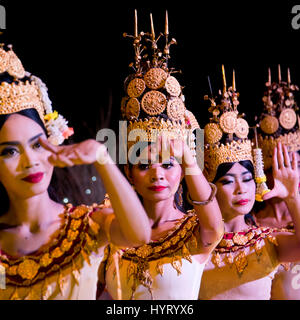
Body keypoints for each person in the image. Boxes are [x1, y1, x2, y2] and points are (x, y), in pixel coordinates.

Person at [0, 44, 151, 300]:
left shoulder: (87, 225)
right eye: (9, 152)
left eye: (37, 144)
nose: (30, 161)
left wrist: (101, 158)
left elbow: (139, 234)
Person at [96, 12, 224, 300]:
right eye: (143, 165)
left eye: (168, 164)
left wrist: (189, 158)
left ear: (181, 173)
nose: (157, 173)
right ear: (129, 173)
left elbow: (216, 227)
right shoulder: (114, 232)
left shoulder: (195, 231)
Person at [199, 67, 300, 300]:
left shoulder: (267, 241)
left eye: (246, 179)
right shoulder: (193, 240)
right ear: (209, 186)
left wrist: (292, 197)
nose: (241, 188)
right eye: (227, 180)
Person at [253, 67, 300, 299]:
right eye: (283, 166)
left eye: (298, 165)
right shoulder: (252, 223)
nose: (292, 173)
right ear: (266, 172)